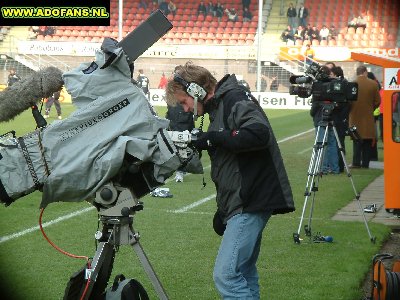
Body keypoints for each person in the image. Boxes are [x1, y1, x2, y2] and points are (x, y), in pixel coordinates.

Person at [165, 62, 295, 299]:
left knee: (226, 275)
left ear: (196, 90)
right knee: (243, 272)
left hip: (251, 200)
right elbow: (231, 167)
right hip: (246, 200)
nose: (185, 110)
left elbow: (258, 133)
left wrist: (214, 138)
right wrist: (224, 210)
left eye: (184, 102)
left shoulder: (234, 98)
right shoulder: (222, 104)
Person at [310, 65, 340, 174]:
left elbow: (315, 105)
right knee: (332, 144)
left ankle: (323, 168)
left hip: (320, 118)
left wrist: (312, 113)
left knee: (321, 144)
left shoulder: (318, 86)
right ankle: (335, 168)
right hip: (332, 117)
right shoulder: (334, 85)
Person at [349, 65, 381, 169]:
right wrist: (370, 107)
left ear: (357, 72)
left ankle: (356, 162)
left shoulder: (351, 84)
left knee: (356, 141)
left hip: (354, 116)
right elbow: (378, 101)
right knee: (367, 141)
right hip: (367, 117)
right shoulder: (373, 84)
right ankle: (365, 163)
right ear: (366, 72)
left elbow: (348, 102)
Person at [165, 103, 196, 182]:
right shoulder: (172, 100)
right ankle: (178, 170)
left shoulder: (183, 101)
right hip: (174, 123)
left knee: (182, 147)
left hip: (182, 125)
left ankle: (180, 171)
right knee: (173, 148)